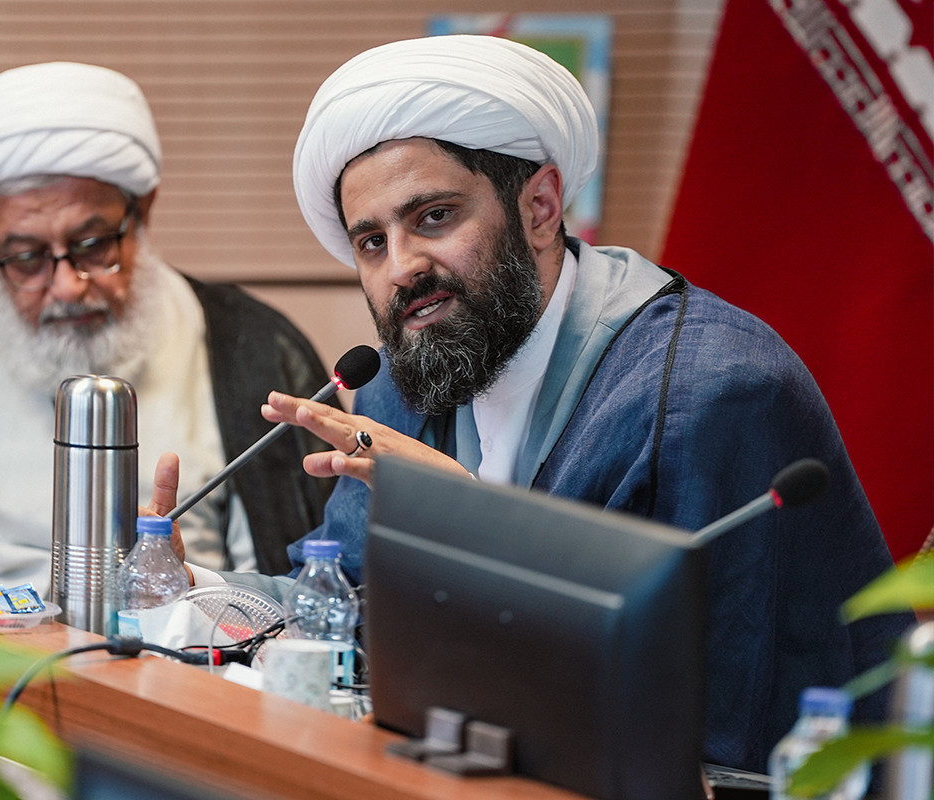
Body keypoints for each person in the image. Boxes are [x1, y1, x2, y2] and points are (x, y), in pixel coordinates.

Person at [160, 36, 911, 774]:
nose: (402, 269)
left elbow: (699, 732)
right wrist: (188, 587)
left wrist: (472, 524)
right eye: (372, 242)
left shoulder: (708, 394)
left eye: (433, 217)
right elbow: (335, 606)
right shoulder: (406, 376)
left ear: (541, 208)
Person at [0, 61, 337, 596]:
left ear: (141, 211)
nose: (66, 286)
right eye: (26, 257)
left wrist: (183, 598)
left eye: (92, 245)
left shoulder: (252, 348)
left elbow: (289, 589)